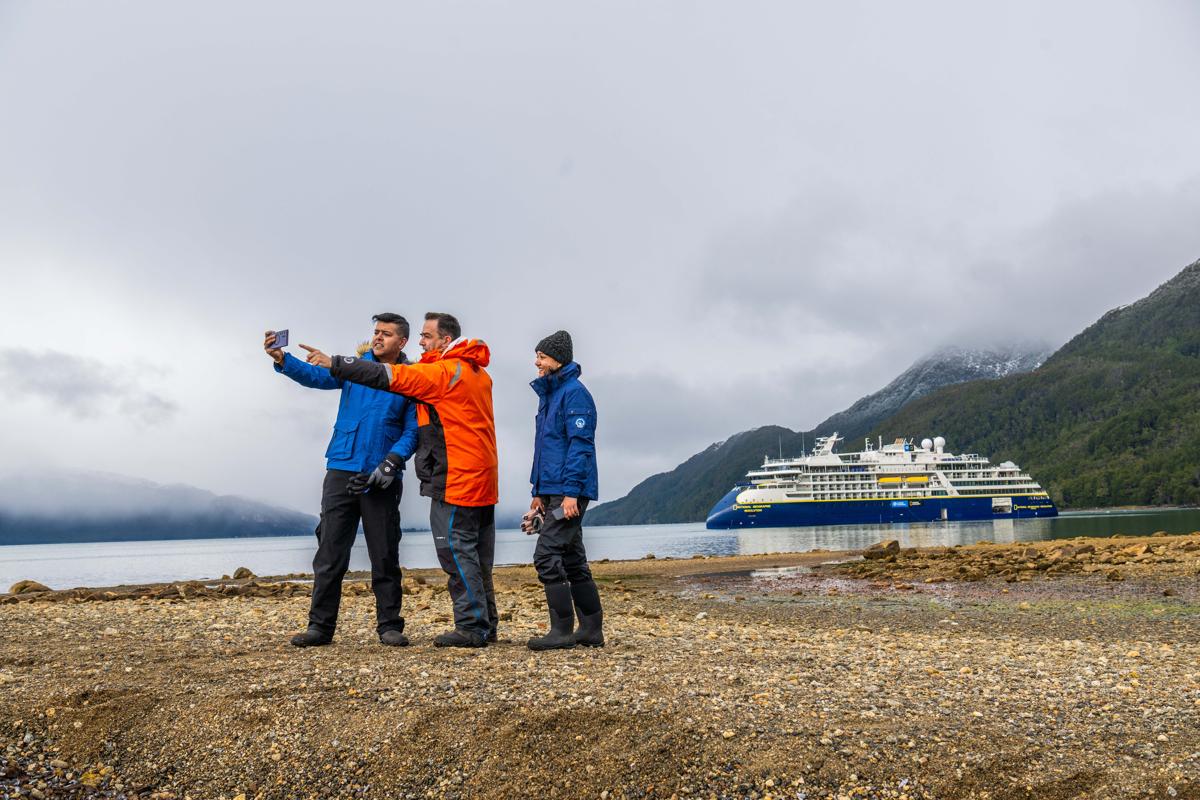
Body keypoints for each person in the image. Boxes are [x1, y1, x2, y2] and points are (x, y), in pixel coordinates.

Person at [301, 312, 499, 648]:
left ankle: (470, 626)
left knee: (453, 551)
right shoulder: (474, 372)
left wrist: (335, 361)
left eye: (426, 335)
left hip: (456, 476)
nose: (422, 341)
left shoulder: (442, 373)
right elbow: (319, 377)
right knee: (475, 554)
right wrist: (285, 360)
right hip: (475, 474)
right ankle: (484, 624)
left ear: (444, 340)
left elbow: (391, 382)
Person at [264, 314, 418, 648]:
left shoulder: (410, 378)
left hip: (381, 475)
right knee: (330, 551)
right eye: (376, 332)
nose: (378, 338)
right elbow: (317, 376)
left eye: (386, 334)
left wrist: (392, 462)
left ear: (402, 342)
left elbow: (413, 430)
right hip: (341, 467)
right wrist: (282, 359)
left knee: (385, 552)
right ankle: (320, 627)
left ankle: (390, 626)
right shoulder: (355, 368)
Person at [523, 330, 604, 650]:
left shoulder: (574, 394)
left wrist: (571, 493)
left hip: (571, 491)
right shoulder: (549, 396)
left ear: (558, 359)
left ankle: (562, 630)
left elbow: (580, 446)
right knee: (573, 559)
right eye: (537, 356)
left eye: (541, 356)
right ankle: (590, 630)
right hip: (554, 489)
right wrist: (538, 493)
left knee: (546, 555)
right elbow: (544, 449)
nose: (536, 362)